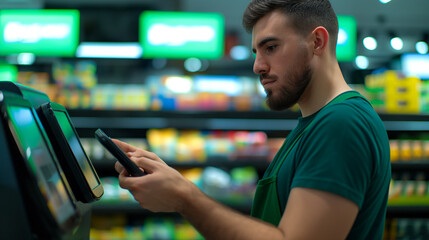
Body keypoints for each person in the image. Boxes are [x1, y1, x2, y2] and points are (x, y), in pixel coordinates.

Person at [113, 0, 391, 239]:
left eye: (271, 47)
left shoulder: (341, 124)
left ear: (317, 42)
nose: (258, 66)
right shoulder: (315, 123)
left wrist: (184, 198)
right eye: (257, 52)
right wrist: (178, 186)